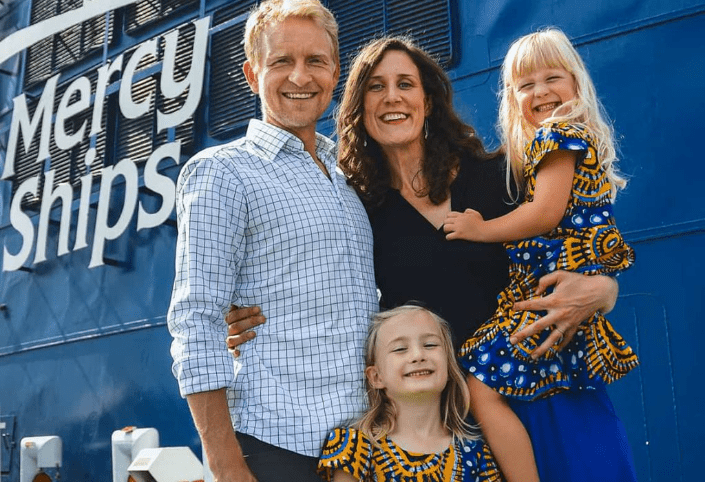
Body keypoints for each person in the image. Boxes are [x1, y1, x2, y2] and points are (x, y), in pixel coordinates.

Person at [227, 35, 635, 481]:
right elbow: (315, 284)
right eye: (376, 87)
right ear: (359, 107)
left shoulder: (500, 175)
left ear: (428, 100)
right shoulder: (358, 209)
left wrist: (604, 289)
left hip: (551, 387)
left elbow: (579, 239)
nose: (392, 97)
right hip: (453, 427)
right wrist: (244, 314)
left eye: (406, 83)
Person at [166, 1, 378, 481]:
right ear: (251, 73)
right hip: (275, 445)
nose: (299, 76)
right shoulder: (223, 172)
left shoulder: (346, 180)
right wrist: (226, 467)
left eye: (315, 61)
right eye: (282, 61)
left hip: (358, 445)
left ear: (335, 72)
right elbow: (196, 319)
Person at [442, 28, 638, 481]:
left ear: (577, 82)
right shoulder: (571, 140)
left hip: (547, 294)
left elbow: (544, 214)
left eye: (552, 77)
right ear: (512, 97)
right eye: (525, 85)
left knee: (479, 381)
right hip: (557, 292)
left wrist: (480, 229)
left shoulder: (557, 138)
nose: (541, 91)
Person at [317, 304, 502, 482]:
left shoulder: (476, 454)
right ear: (376, 377)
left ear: (448, 367)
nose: (417, 355)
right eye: (400, 349)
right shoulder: (355, 446)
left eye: (430, 345)